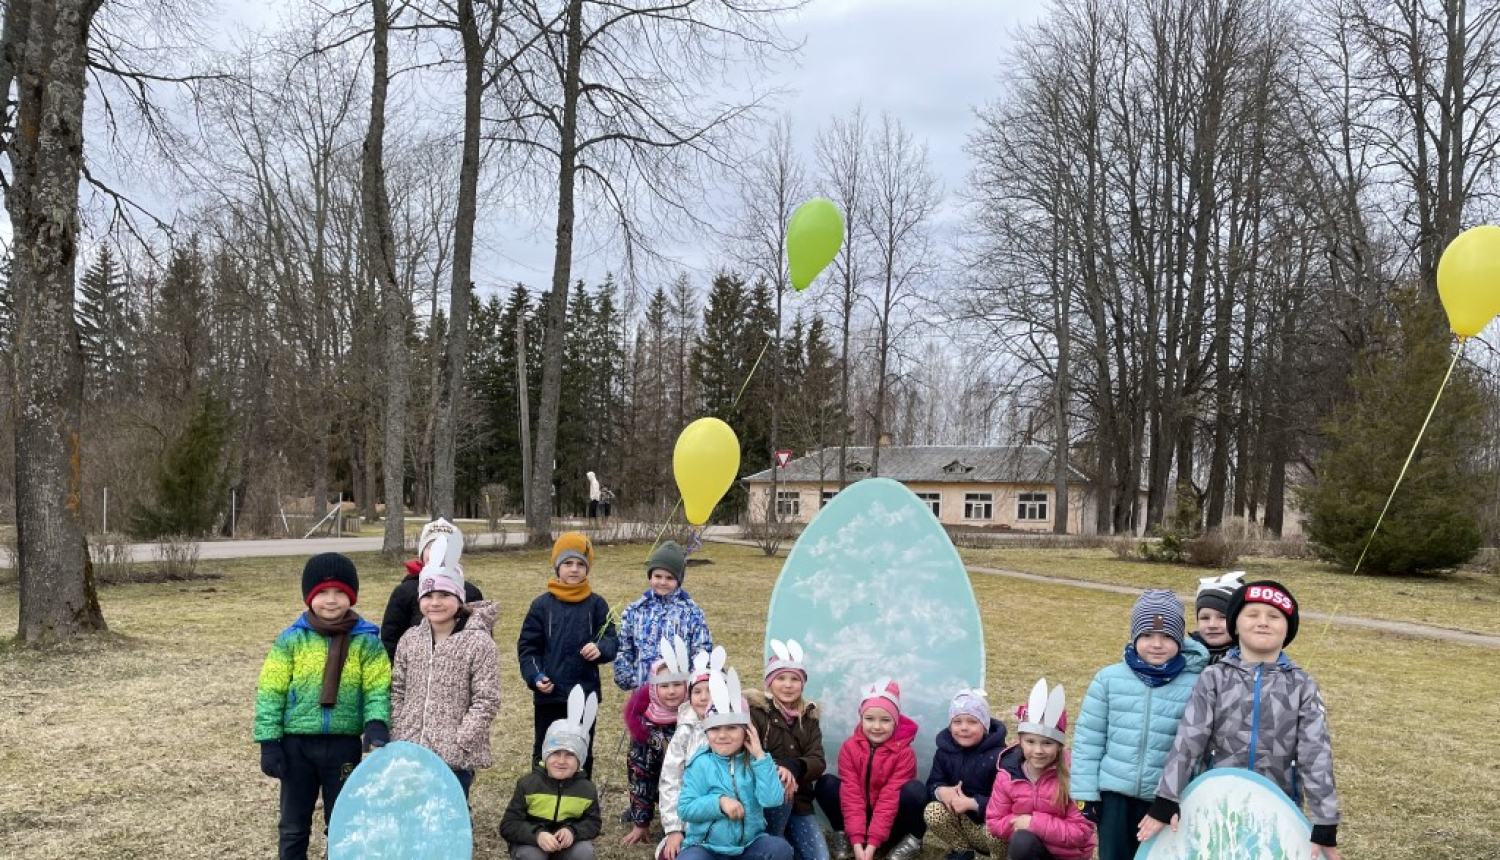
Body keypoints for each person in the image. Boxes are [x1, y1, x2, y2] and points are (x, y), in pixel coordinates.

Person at [1140, 581, 1343, 859]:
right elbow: (1189, 740)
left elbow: (1315, 753)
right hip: (1215, 803)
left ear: (1288, 629)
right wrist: (1167, 797)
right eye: (1252, 614)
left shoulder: (1302, 685)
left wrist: (1324, 821)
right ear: (1235, 625)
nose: (1263, 622)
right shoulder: (1214, 678)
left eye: (1274, 616)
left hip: (1278, 805)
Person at [254, 553, 391, 860]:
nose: (331, 600)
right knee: (293, 824)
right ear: (309, 597)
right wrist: (269, 742)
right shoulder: (291, 640)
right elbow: (271, 690)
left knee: (344, 820)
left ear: (352, 595)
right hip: (296, 745)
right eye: (323, 592)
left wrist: (376, 723)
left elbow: (377, 687)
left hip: (343, 746)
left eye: (340, 592)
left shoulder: (367, 641)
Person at [1071, 590, 1208, 860]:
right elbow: (1089, 739)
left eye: (1167, 636)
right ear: (1134, 637)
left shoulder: (1197, 684)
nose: (1156, 644)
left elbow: (1198, 746)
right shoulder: (1108, 680)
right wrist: (1086, 793)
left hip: (1167, 799)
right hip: (1115, 797)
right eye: (1147, 635)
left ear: (1180, 639)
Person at [390, 561, 501, 798]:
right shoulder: (410, 639)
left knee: (449, 813)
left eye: (444, 595)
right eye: (428, 595)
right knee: (412, 809)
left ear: (459, 598)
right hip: (411, 749)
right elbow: (397, 688)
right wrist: (399, 730)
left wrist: (461, 740)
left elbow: (486, 699)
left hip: (453, 758)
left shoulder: (479, 643)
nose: (435, 602)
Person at [518, 532, 618, 776]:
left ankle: (580, 793)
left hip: (585, 694)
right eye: (568, 563)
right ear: (557, 567)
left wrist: (600, 648)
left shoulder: (597, 604)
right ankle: (541, 792)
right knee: (546, 748)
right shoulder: (541, 606)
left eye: (580, 564)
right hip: (549, 696)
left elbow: (611, 639)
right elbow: (528, 647)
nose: (574, 569)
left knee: (581, 747)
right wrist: (536, 676)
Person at [677, 669, 794, 860]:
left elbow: (772, 800)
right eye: (715, 728)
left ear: (747, 731)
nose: (722, 735)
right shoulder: (700, 763)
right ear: (706, 732)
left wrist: (760, 757)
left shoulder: (757, 762)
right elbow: (685, 808)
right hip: (706, 847)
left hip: (748, 846)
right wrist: (719, 803)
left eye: (732, 728)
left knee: (780, 849)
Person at [984, 680, 1096, 860]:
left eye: (1047, 743)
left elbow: (1081, 831)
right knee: (1022, 841)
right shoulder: (1007, 775)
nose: (1038, 750)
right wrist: (1021, 823)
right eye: (1030, 742)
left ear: (1059, 746)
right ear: (1020, 741)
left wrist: (1034, 823)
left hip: (1068, 855)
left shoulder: (1075, 775)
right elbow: (994, 821)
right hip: (1030, 849)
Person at [815, 680, 926, 860]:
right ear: (861, 719)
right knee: (826, 784)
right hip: (859, 817)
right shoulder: (849, 748)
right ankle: (844, 835)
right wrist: (857, 840)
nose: (876, 726)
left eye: (885, 720)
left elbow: (889, 799)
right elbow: (852, 795)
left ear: (896, 722)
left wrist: (873, 843)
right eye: (870, 719)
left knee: (916, 791)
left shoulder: (904, 754)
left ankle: (905, 842)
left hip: (890, 820)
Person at [747, 640, 828, 860]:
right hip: (765, 802)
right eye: (781, 678)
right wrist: (777, 769)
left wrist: (795, 766)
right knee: (781, 780)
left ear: (802, 684)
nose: (788, 685)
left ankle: (788, 840)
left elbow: (818, 759)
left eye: (795, 679)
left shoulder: (809, 717)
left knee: (820, 857)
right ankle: (774, 839)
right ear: (769, 682)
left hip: (799, 802)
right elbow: (747, 755)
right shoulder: (757, 713)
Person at [501, 687, 603, 860]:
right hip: (532, 844)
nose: (561, 761)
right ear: (545, 756)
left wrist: (572, 831)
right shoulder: (527, 785)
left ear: (580, 760)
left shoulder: (587, 789)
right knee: (532, 856)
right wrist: (537, 835)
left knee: (583, 852)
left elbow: (593, 823)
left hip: (565, 846)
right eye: (555, 753)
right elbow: (509, 825)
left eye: (570, 755)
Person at [380, 518, 484, 660]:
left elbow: (482, 637)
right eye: (431, 546)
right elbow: (390, 639)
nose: (438, 551)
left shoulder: (471, 593)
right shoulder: (405, 592)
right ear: (422, 552)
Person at [614, 541, 712, 691]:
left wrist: (693, 681)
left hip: (678, 692)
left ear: (679, 580)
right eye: (658, 576)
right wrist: (628, 677)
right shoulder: (635, 611)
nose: (662, 582)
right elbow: (624, 649)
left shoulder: (692, 613)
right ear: (650, 577)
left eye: (669, 578)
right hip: (643, 690)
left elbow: (701, 651)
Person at [923, 689, 1007, 860]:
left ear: (985, 726)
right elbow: (933, 782)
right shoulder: (944, 752)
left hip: (989, 827)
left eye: (972, 721)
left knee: (998, 829)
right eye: (957, 721)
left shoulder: (1000, 757)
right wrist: (940, 791)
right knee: (932, 811)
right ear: (950, 725)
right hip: (963, 823)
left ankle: (998, 857)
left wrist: (973, 803)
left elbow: (1007, 802)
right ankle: (963, 852)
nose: (963, 728)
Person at [623, 639, 692, 844]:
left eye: (677, 684)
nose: (671, 691)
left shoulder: (698, 718)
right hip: (663, 792)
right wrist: (641, 821)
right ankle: (662, 819)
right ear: (654, 688)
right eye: (664, 686)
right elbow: (640, 776)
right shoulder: (646, 727)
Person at [659, 648, 725, 860]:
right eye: (697, 692)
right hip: (690, 818)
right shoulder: (685, 731)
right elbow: (671, 779)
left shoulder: (734, 730)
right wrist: (674, 829)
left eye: (711, 690)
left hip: (725, 817)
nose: (704, 698)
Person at [1189, 570, 1244, 665]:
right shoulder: (1185, 656)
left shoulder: (1251, 658)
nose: (1212, 625)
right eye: (1205, 618)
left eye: (1223, 617)